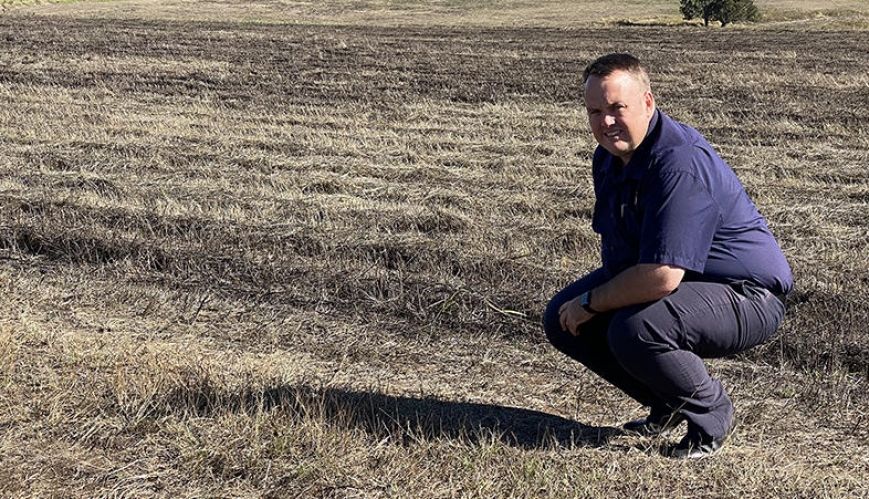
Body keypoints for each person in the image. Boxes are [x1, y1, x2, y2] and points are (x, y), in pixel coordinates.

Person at [543, 53, 793, 459]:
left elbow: (661, 276)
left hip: (747, 294)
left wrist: (592, 302)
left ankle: (711, 414)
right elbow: (621, 251)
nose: (605, 122)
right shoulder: (608, 158)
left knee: (635, 327)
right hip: (690, 278)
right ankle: (669, 401)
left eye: (616, 108)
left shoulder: (679, 164)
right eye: (594, 111)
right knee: (562, 318)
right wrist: (590, 306)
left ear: (647, 102)